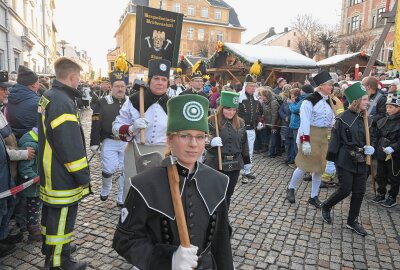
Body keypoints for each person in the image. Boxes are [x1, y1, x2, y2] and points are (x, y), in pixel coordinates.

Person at [113, 94, 234, 269]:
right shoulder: (144, 185)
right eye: (185, 135)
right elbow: (124, 240)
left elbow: (221, 242)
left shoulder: (218, 181)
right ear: (169, 140)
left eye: (200, 137)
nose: (193, 144)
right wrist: (168, 259)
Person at [38, 57, 91, 270]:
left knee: (51, 215)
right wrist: (83, 176)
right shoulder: (63, 101)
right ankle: (60, 263)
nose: (79, 80)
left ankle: (51, 251)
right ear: (72, 77)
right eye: (78, 76)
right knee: (62, 217)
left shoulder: (49, 96)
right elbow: (69, 145)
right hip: (61, 174)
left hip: (50, 168)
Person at [320, 82, 374, 236]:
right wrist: (330, 162)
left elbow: (372, 138)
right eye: (364, 99)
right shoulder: (342, 118)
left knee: (359, 192)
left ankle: (352, 221)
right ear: (356, 101)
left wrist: (372, 148)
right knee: (345, 189)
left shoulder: (367, 119)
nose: (367, 102)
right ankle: (326, 205)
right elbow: (335, 141)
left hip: (362, 159)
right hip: (345, 158)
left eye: (367, 99)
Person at [112, 59, 170, 200]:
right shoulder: (134, 100)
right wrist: (132, 128)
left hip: (163, 153)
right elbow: (115, 128)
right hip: (136, 151)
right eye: (156, 78)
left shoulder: (172, 104)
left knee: (158, 192)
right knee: (132, 189)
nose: (160, 82)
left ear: (168, 83)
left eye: (164, 79)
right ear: (149, 80)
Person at [286, 71, 336, 208]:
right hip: (310, 134)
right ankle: (291, 188)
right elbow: (305, 122)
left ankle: (314, 196)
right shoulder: (309, 101)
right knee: (304, 165)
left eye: (331, 85)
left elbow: (332, 120)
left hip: (324, 136)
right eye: (329, 85)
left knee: (319, 168)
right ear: (320, 86)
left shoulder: (330, 101)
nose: (331, 88)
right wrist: (306, 141)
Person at [205, 91, 250, 209]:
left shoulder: (241, 122)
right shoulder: (211, 121)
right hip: (215, 163)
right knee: (215, 195)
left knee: (228, 195)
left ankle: (224, 221)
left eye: (234, 110)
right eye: (228, 109)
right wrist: (211, 142)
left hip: (234, 164)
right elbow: (202, 139)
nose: (231, 112)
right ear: (222, 107)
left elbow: (244, 143)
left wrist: (246, 162)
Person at [90, 70, 128, 207]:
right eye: (117, 86)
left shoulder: (131, 102)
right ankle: (106, 187)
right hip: (109, 140)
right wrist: (94, 142)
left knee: (126, 170)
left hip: (126, 142)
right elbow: (96, 122)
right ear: (112, 87)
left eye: (122, 86)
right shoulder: (102, 102)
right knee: (109, 168)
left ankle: (121, 196)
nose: (120, 89)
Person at [0, 70, 21, 258]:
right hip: (2, 171)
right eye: (3, 89)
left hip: (7, 170)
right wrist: (22, 153)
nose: (7, 93)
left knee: (7, 204)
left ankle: (3, 236)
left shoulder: (1, 110)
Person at [371, 93, 400, 207]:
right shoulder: (383, 120)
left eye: (391, 107)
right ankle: (381, 194)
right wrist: (373, 147)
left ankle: (392, 197)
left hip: (394, 154)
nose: (388, 109)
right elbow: (376, 135)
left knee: (394, 176)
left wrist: (393, 148)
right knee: (381, 174)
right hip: (381, 151)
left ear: (398, 108)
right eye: (387, 107)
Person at [17, 127, 41, 241]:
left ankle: (23, 227)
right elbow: (25, 168)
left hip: (31, 186)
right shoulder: (31, 144)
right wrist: (35, 178)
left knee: (25, 207)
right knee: (33, 209)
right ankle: (34, 232)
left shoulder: (32, 139)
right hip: (32, 187)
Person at [238, 74, 262, 183]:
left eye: (254, 86)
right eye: (252, 86)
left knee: (250, 151)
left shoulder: (256, 99)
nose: (254, 88)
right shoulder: (239, 97)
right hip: (240, 129)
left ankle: (247, 171)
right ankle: (239, 171)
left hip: (251, 129)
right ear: (246, 86)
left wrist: (259, 121)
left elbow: (258, 113)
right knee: (240, 151)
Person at [6, 65, 40, 139]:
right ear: (34, 85)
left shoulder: (7, 96)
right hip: (31, 141)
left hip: (12, 140)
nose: (39, 85)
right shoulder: (38, 102)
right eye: (38, 82)